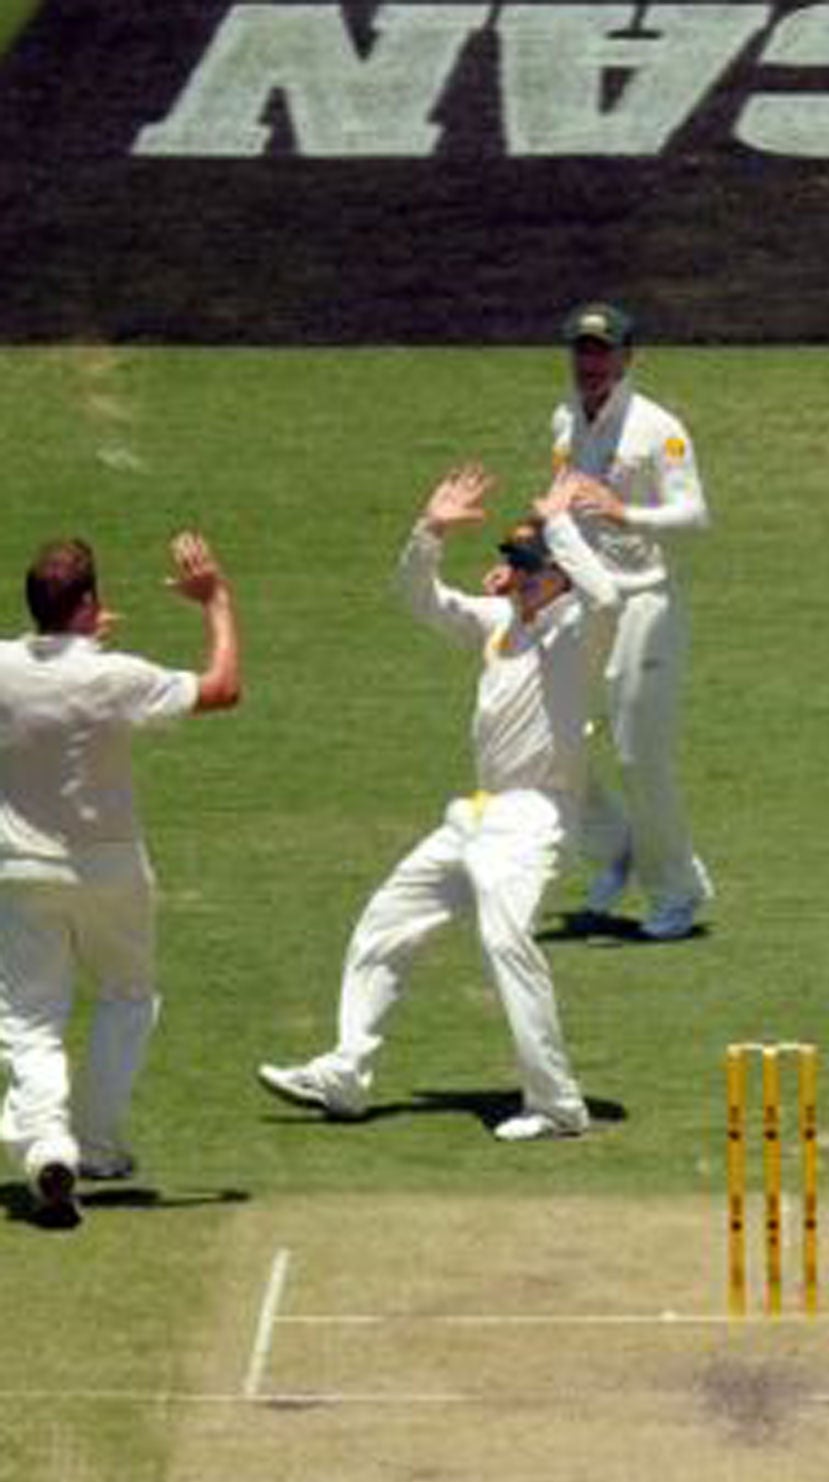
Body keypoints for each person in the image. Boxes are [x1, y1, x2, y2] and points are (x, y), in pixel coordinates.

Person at [257, 467, 617, 1141]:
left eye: (533, 568)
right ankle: (346, 1072)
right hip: (477, 813)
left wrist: (562, 526)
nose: (519, 576)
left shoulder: (579, 633)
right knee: (386, 921)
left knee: (505, 940)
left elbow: (607, 593)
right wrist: (430, 532)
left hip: (535, 814)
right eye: (514, 564)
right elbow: (418, 597)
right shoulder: (499, 622)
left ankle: (557, 1104)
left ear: (560, 573)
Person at [0, 531, 241, 1228]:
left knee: (30, 1022)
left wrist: (69, 641)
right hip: (113, 869)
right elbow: (223, 688)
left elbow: (34, 666)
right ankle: (97, 1145)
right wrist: (216, 601)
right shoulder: (115, 675)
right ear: (90, 605)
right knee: (128, 996)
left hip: (19, 872)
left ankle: (50, 1144)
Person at [551, 301, 714, 940]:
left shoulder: (659, 430)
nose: (591, 363)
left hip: (647, 602)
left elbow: (695, 514)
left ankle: (678, 889)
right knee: (550, 736)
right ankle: (619, 846)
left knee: (637, 753)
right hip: (583, 598)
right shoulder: (566, 420)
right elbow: (563, 499)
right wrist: (531, 562)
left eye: (603, 351)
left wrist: (627, 515)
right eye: (582, 351)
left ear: (628, 357)